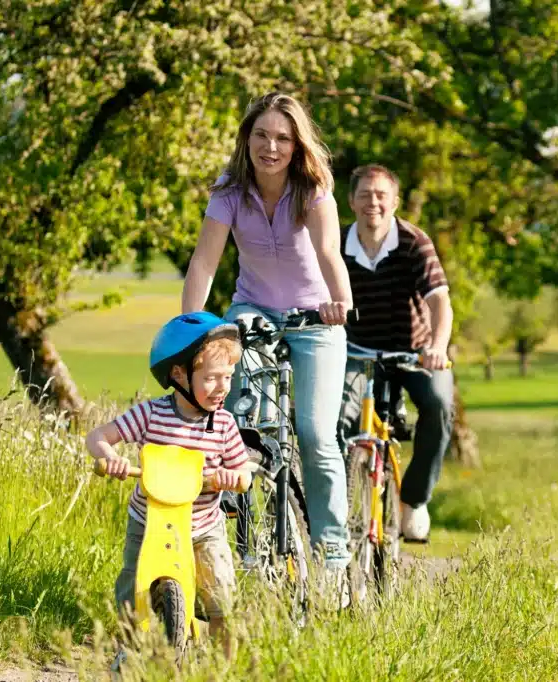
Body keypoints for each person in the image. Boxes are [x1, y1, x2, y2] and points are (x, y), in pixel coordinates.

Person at [180, 92, 354, 573]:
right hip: (253, 312)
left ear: (297, 146)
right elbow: (204, 262)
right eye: (261, 135)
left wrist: (341, 302)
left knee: (316, 434)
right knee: (239, 418)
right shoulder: (229, 190)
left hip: (315, 318)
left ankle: (332, 555)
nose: (270, 146)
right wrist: (191, 326)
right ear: (247, 138)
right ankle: (237, 517)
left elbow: (328, 253)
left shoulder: (313, 189)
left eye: (282, 137)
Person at [85, 312, 249, 661]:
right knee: (134, 588)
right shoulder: (151, 414)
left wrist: (234, 476)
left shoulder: (223, 424)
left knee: (221, 597)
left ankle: (225, 663)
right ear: (178, 375)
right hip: (148, 524)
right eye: (212, 378)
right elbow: (98, 436)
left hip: (203, 527)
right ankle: (128, 653)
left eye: (228, 377)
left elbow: (243, 469)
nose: (223, 387)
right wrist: (109, 457)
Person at [338, 164, 454, 543]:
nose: (373, 202)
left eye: (381, 195)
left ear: (395, 201)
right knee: (336, 417)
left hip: (415, 351)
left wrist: (437, 346)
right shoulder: (336, 245)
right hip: (357, 352)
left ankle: (415, 500)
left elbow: (440, 301)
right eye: (365, 195)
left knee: (438, 404)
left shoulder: (413, 242)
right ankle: (338, 510)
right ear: (351, 201)